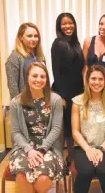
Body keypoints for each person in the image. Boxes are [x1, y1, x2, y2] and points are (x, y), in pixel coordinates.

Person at [9, 62, 64, 193]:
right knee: (23, 177)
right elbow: (16, 132)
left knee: (42, 180)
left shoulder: (55, 100)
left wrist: (41, 149)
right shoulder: (16, 102)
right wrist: (29, 151)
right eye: (34, 76)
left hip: (49, 148)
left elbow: (56, 129)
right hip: (23, 148)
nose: (38, 80)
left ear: (47, 79)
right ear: (27, 78)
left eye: (42, 76)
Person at [71, 65, 105, 193]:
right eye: (93, 78)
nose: (96, 82)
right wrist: (88, 149)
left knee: (103, 171)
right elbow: (75, 131)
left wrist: (100, 149)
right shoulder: (77, 102)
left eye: (100, 79)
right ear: (87, 80)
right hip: (83, 147)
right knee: (86, 171)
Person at [51, 12, 84, 164]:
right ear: (59, 26)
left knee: (75, 126)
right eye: (64, 24)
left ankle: (73, 157)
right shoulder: (58, 43)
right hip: (64, 92)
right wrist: (61, 96)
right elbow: (56, 72)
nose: (67, 26)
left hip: (78, 91)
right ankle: (67, 159)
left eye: (70, 23)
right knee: (67, 129)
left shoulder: (76, 43)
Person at [6, 22, 45, 99]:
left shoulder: (40, 56)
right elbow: (13, 88)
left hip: (41, 100)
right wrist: (18, 107)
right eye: (29, 36)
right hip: (25, 102)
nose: (34, 39)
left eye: (36, 36)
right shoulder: (14, 58)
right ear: (21, 37)